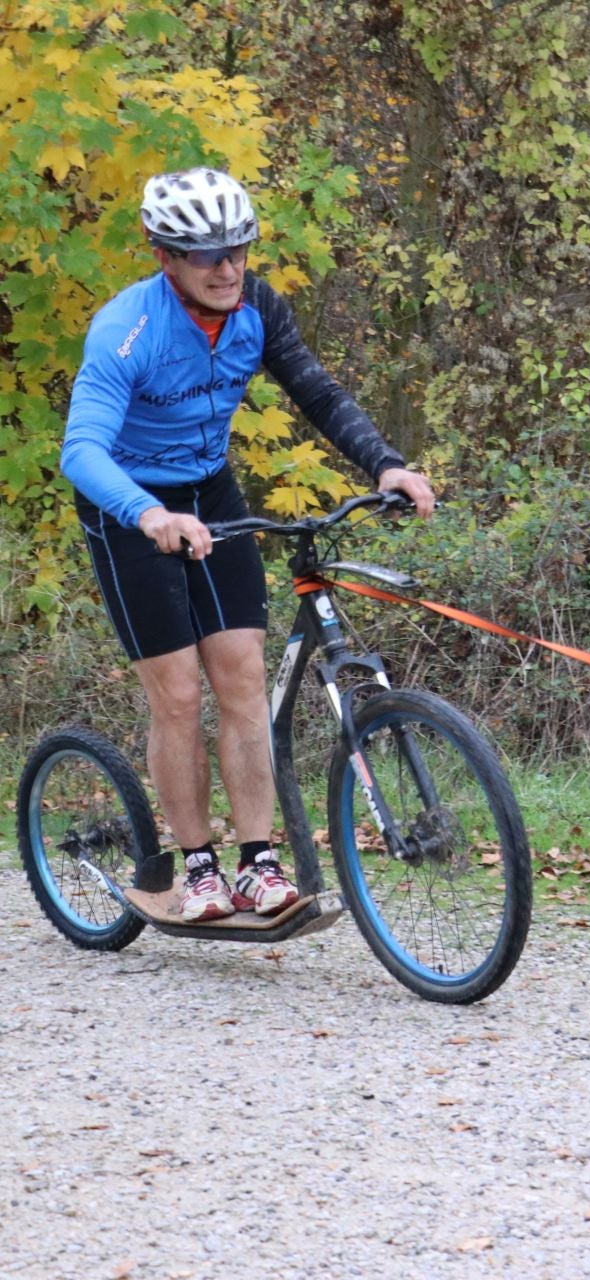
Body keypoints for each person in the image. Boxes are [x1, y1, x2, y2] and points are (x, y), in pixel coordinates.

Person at [61, 166, 436, 922]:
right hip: (127, 505)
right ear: (164, 255)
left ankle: (256, 863)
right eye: (206, 256)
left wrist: (387, 463)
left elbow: (318, 392)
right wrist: (148, 515)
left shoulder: (258, 306)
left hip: (210, 490)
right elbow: (82, 451)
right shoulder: (125, 330)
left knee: (242, 681)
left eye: (238, 250)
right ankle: (196, 868)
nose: (227, 269)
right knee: (179, 695)